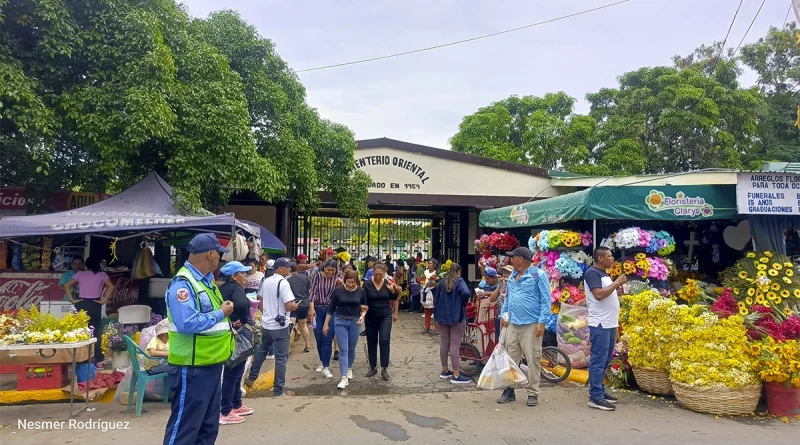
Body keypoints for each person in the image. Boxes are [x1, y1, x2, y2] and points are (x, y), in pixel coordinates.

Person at [162, 233, 235, 445]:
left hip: (211, 364)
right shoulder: (183, 284)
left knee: (207, 428)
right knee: (185, 429)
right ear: (211, 254)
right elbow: (187, 324)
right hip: (192, 367)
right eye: (219, 255)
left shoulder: (206, 282)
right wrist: (221, 313)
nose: (220, 260)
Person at [497, 247, 551, 408]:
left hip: (531, 325)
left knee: (533, 359)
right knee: (511, 359)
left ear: (520, 259)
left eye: (513, 257)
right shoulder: (513, 276)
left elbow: (546, 301)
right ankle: (510, 389)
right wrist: (503, 315)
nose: (510, 260)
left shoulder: (538, 275)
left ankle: (532, 392)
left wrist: (542, 322)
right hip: (513, 324)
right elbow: (508, 298)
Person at [245, 258, 298, 397]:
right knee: (281, 358)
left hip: (266, 324)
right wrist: (295, 305)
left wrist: (267, 314)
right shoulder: (283, 283)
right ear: (280, 268)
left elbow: (260, 300)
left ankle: (251, 378)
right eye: (287, 267)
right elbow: (288, 305)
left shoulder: (266, 280)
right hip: (280, 326)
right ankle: (278, 390)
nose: (289, 269)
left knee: (262, 350)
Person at [584, 247, 626, 411]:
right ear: (600, 258)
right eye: (609, 256)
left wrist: (618, 292)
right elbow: (598, 295)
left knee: (605, 359)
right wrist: (616, 283)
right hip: (600, 323)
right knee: (598, 360)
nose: (612, 258)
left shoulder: (604, 274)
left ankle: (599, 390)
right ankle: (595, 397)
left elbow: (605, 293)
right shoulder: (593, 272)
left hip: (610, 323)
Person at [218, 261, 256, 425]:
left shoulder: (222, 289)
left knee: (236, 371)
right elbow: (240, 304)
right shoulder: (236, 288)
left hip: (229, 332)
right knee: (233, 374)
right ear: (234, 276)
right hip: (237, 334)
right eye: (243, 273)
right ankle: (225, 411)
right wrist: (240, 320)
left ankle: (236, 404)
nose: (246, 276)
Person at [64, 255, 113, 369]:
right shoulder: (102, 275)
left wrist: (72, 300)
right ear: (98, 264)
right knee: (95, 333)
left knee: (81, 331)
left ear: (86, 265)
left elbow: (66, 285)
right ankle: (98, 361)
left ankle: (82, 360)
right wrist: (104, 300)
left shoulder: (80, 274)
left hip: (81, 303)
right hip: (95, 304)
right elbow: (111, 287)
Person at [323, 269, 368, 389]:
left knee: (351, 348)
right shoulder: (338, 290)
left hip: (355, 322)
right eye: (348, 282)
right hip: (340, 321)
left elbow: (365, 307)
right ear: (344, 280)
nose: (351, 284)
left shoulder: (361, 291)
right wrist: (326, 324)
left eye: (353, 282)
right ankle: (344, 377)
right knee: (343, 349)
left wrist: (362, 316)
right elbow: (331, 309)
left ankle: (349, 368)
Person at [433, 263, 472, 384]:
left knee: (444, 343)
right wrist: (463, 303)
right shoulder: (459, 281)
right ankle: (456, 374)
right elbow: (466, 293)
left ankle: (445, 371)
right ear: (459, 271)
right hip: (457, 316)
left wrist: (436, 314)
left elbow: (436, 299)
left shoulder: (441, 282)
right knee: (455, 346)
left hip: (442, 316)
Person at [363, 263, 399, 380]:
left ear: (384, 274)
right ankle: (372, 366)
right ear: (372, 272)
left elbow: (394, 298)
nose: (378, 277)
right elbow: (362, 299)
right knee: (372, 341)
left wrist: (392, 290)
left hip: (385, 315)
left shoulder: (388, 283)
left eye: (380, 275)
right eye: (376, 274)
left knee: (384, 340)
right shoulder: (367, 284)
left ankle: (384, 368)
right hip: (370, 317)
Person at [308, 260, 342, 378]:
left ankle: (326, 367)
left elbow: (342, 293)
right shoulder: (317, 276)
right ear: (324, 268)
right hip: (317, 309)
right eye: (328, 270)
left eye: (333, 270)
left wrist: (341, 284)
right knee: (319, 338)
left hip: (332, 310)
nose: (330, 273)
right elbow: (312, 293)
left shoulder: (338, 278)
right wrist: (311, 310)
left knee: (327, 337)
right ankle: (322, 362)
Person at [287, 264, 312, 352]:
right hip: (304, 304)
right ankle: (307, 345)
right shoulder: (304, 277)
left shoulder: (287, 280)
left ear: (289, 270)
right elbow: (310, 287)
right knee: (304, 325)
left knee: (290, 326)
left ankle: (288, 348)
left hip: (292, 304)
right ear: (296, 269)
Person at [488, 265, 513, 343]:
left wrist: (505, 298)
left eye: (508, 273)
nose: (505, 275)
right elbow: (492, 299)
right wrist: (499, 287)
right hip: (500, 317)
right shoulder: (503, 285)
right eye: (504, 272)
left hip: (511, 319)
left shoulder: (515, 285)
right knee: (500, 341)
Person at [421, 259, 439, 334]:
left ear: (434, 265)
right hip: (426, 292)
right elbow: (422, 280)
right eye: (428, 263)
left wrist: (432, 284)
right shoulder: (425, 272)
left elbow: (439, 283)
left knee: (436, 311)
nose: (428, 265)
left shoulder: (437, 273)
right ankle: (426, 327)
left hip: (434, 292)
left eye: (430, 263)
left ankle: (437, 328)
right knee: (427, 311)